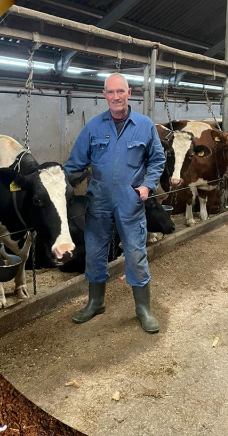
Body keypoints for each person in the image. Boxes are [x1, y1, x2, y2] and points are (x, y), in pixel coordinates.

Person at [63, 73, 166, 333]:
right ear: (104, 94)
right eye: (111, 92)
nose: (116, 97)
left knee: (134, 253)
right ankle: (95, 302)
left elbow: (157, 161)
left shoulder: (144, 125)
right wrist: (55, 181)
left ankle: (143, 309)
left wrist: (147, 185)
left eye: (120, 91)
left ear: (129, 92)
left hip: (130, 201)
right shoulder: (93, 127)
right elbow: (74, 164)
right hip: (98, 201)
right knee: (95, 253)